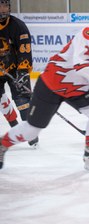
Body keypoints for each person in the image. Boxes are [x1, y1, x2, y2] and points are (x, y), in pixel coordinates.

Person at [0, 12, 89, 171]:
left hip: (76, 88)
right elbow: (80, 64)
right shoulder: (88, 34)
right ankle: (3, 144)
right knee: (32, 130)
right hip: (52, 83)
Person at [0, 0, 38, 147]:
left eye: (5, 5)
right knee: (2, 102)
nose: (4, 9)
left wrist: (23, 72)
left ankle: (30, 132)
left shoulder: (18, 26)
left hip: (16, 68)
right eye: (0, 5)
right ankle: (14, 125)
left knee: (23, 101)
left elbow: (25, 51)